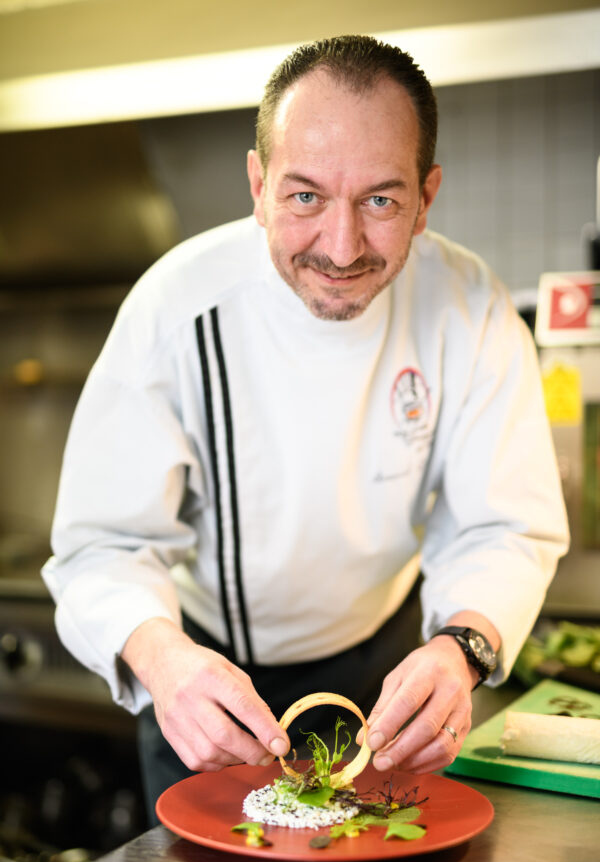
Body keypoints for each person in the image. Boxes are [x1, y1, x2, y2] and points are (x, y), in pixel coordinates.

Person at [42, 35, 568, 821]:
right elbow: (100, 548)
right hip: (208, 686)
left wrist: (461, 652)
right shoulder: (173, 311)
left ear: (427, 196)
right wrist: (163, 662)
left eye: (381, 201)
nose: (342, 245)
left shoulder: (472, 306)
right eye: (305, 197)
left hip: (395, 674)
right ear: (258, 187)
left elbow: (507, 526)